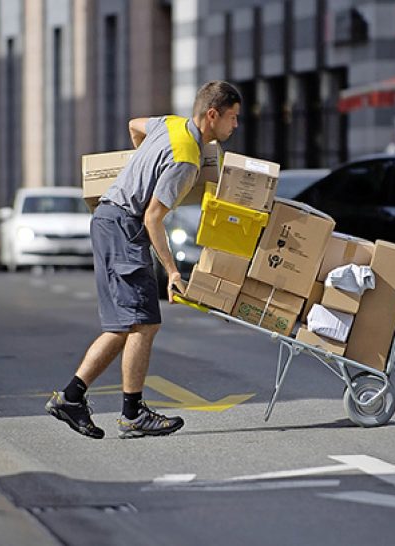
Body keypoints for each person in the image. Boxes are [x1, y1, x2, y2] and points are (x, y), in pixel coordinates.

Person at [46, 81, 242, 439]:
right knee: (143, 323)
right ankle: (132, 413)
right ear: (212, 115)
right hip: (125, 225)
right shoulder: (187, 160)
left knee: (126, 325)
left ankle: (72, 398)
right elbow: (153, 217)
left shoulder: (171, 124)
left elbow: (135, 125)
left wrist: (142, 164)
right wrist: (172, 271)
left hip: (108, 219)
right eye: (233, 117)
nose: (235, 125)